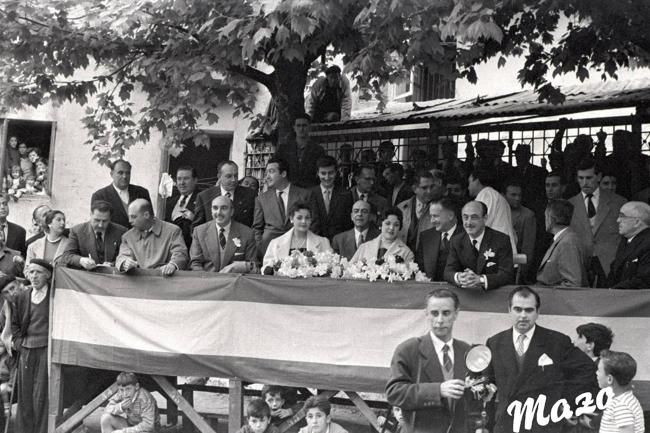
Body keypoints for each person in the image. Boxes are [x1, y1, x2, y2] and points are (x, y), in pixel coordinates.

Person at [484, 286, 598, 433]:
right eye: (518, 309)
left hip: (544, 424)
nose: (523, 315)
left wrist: (564, 402)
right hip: (506, 424)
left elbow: (587, 370)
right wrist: (488, 424)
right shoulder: (494, 343)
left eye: (529, 310)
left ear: (538, 312)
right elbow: (488, 386)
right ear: (509, 310)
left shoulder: (557, 341)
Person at [386, 288, 470, 433]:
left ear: (456, 314)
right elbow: (394, 392)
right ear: (426, 314)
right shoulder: (409, 349)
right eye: (434, 313)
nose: (440, 320)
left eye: (446, 313)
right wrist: (438, 390)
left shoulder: (466, 351)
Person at [10, 259, 54, 433]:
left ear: (48, 275)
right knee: (25, 395)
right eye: (31, 272)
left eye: (39, 272)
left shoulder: (54, 295)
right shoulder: (22, 296)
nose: (34, 276)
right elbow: (15, 324)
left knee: (41, 395)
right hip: (26, 351)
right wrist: (19, 343)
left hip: (45, 350)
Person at [569, 157, 627, 278]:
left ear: (599, 177)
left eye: (589, 178)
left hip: (610, 263)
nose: (585, 182)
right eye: (581, 178)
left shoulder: (618, 202)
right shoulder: (569, 205)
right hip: (580, 263)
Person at [253, 158, 319, 259]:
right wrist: (260, 247)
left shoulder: (305, 194)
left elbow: (313, 223)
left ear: (283, 174)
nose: (267, 177)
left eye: (271, 172)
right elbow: (257, 228)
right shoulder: (261, 199)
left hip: (300, 249)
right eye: (266, 173)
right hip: (270, 250)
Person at [444, 201, 514, 290]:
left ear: (485, 218)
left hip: (493, 295)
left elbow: (506, 274)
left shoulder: (501, 240)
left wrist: (480, 279)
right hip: (467, 294)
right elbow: (448, 272)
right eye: (465, 217)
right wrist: (459, 277)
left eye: (474, 217)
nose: (468, 223)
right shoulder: (456, 241)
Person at [116, 199, 188, 275]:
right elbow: (122, 256)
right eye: (129, 217)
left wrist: (172, 265)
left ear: (146, 215)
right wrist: (125, 263)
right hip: (138, 282)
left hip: (165, 279)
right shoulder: (128, 237)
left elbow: (180, 253)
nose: (130, 221)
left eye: (133, 217)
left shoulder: (172, 231)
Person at [190, 196, 258, 272]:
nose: (219, 212)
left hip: (234, 281)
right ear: (211, 210)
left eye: (224, 208)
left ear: (232, 212)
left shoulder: (247, 233)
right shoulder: (199, 231)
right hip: (207, 280)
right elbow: (195, 263)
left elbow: (252, 265)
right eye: (215, 208)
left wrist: (238, 266)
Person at [59, 200, 127, 269]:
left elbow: (126, 256)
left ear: (110, 218)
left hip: (111, 275)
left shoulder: (121, 232)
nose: (100, 225)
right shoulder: (77, 231)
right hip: (87, 276)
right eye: (97, 220)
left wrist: (112, 264)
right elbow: (67, 255)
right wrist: (81, 260)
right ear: (91, 214)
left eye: (104, 221)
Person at [263, 202, 331, 270]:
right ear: (291, 219)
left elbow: (330, 267)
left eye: (307, 218)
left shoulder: (323, 242)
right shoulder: (275, 243)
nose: (303, 221)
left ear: (311, 220)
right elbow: (266, 268)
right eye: (299, 218)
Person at [536, 200, 587, 287]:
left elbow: (572, 284)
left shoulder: (567, 242)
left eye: (545, 216)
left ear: (551, 218)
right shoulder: (563, 239)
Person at [193, 160, 256, 228]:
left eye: (236, 176)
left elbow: (255, 224)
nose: (233, 180)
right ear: (219, 176)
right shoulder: (204, 196)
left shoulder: (250, 195)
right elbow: (197, 227)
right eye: (229, 176)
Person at [468, 168, 518, 254]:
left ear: (476, 181)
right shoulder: (496, 196)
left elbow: (481, 225)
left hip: (496, 253)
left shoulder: (487, 195)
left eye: (469, 182)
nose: (468, 187)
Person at [91, 159, 152, 229]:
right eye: (120, 173)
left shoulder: (142, 192)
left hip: (140, 238)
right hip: (115, 238)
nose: (124, 176)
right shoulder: (100, 196)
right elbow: (98, 225)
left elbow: (150, 219)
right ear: (111, 174)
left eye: (128, 173)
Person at [596, 350, 645, 433]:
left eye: (599, 370)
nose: (596, 373)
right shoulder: (625, 399)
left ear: (610, 379)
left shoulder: (621, 406)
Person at [416, 198, 462, 281]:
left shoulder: (466, 236)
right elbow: (420, 268)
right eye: (431, 216)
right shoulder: (426, 237)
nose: (432, 221)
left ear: (450, 216)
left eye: (435, 216)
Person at [607, 201, 650, 289]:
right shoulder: (625, 241)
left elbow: (644, 279)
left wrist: (613, 291)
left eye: (622, 216)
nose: (618, 220)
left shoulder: (647, 243)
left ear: (637, 222)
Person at [397, 171, 443, 251]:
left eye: (431, 187)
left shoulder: (441, 210)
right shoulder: (401, 208)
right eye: (424, 188)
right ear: (414, 189)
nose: (429, 191)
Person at [310, 155, 353, 239]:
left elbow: (348, 223)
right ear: (317, 173)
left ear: (336, 172)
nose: (327, 177)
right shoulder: (309, 194)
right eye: (323, 173)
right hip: (315, 242)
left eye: (330, 173)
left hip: (339, 243)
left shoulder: (346, 194)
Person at [504, 180, 536, 279]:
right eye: (513, 195)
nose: (517, 198)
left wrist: (521, 273)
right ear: (504, 195)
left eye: (519, 195)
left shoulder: (528, 215)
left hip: (515, 269)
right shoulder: (500, 212)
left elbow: (527, 248)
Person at [165, 165, 199, 248]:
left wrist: (193, 219)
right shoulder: (171, 202)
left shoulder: (201, 200)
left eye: (186, 178)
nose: (182, 183)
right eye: (179, 179)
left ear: (195, 180)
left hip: (193, 250)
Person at [293, 114, 326, 188]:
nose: (301, 129)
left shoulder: (318, 150)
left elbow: (321, 171)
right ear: (294, 128)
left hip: (310, 190)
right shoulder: (285, 149)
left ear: (309, 127)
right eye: (298, 125)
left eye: (304, 125)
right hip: (290, 192)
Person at [513, 144, 547, 209]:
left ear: (528, 157)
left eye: (522, 155)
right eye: (517, 155)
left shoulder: (539, 172)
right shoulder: (512, 172)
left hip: (534, 208)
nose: (518, 158)